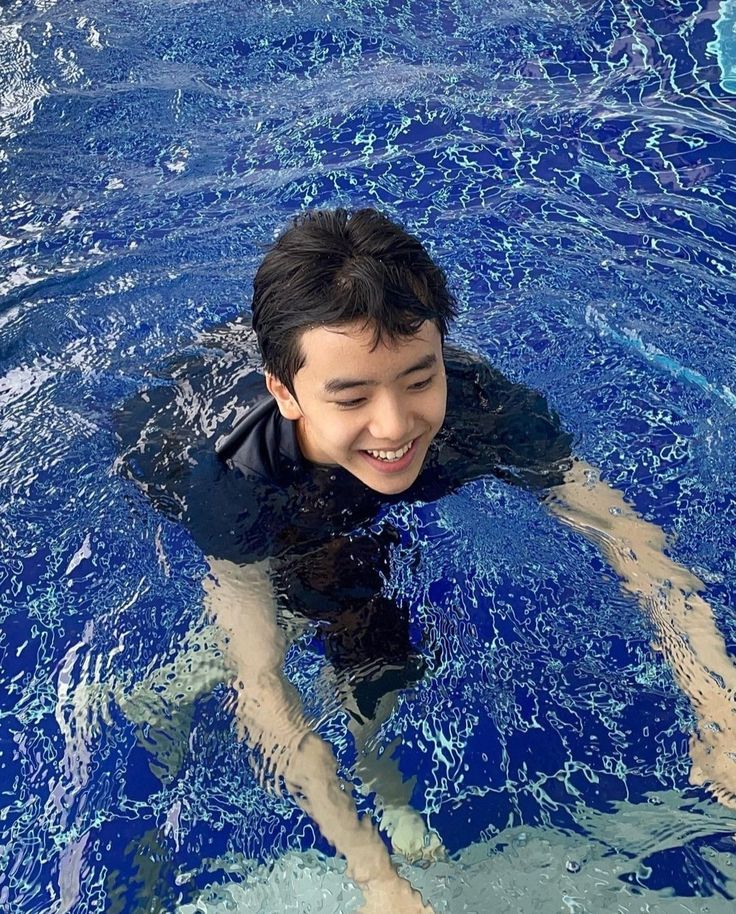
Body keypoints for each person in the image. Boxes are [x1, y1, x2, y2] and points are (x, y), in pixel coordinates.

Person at [103, 207, 736, 913]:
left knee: (378, 648)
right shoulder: (236, 484)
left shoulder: (483, 408)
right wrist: (377, 881)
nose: (397, 425)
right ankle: (190, 668)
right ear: (286, 393)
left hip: (322, 456)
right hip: (193, 450)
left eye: (417, 378)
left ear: (442, 352)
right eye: (354, 396)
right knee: (320, 617)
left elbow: (632, 541)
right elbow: (263, 688)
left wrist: (719, 705)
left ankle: (230, 663)